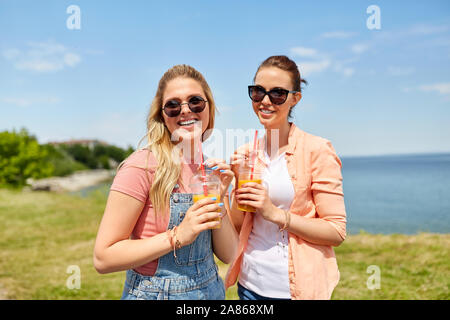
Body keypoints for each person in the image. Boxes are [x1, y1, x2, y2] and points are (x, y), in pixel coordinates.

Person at [93, 64, 238, 300]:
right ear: (162, 115)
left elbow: (230, 254)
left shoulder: (210, 169)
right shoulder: (142, 166)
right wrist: (178, 235)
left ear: (209, 108)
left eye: (195, 102)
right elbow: (103, 257)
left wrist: (219, 204)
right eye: (173, 105)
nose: (185, 111)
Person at [225, 55, 347, 300]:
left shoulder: (317, 150)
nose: (266, 101)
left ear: (295, 98)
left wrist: (276, 214)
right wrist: (232, 188)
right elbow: (237, 226)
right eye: (258, 92)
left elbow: (336, 231)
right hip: (250, 287)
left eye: (277, 93)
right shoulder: (244, 154)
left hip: (298, 290)